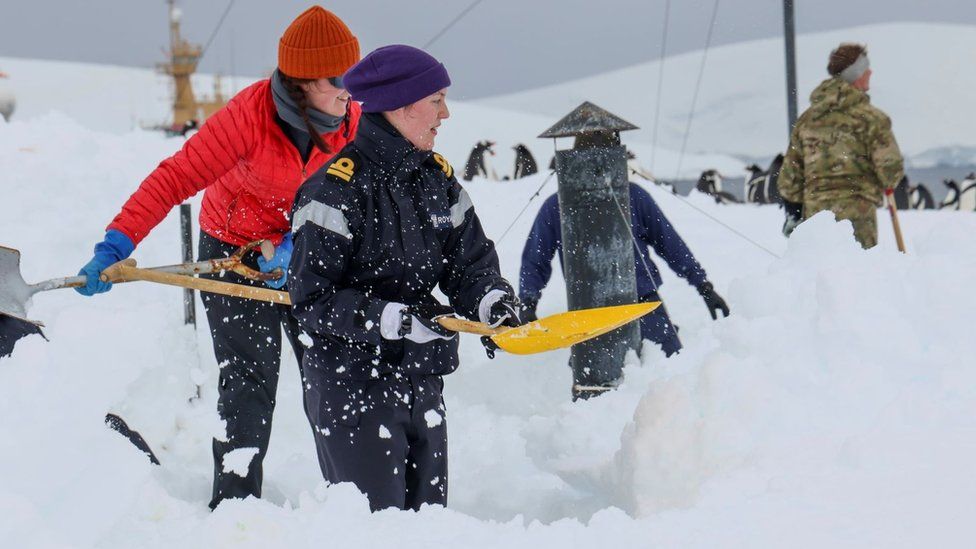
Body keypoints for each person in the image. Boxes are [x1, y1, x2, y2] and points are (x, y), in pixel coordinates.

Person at [74, 6, 363, 509]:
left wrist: (298, 246)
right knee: (249, 382)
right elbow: (174, 178)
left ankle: (353, 504)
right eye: (338, 78)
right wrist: (117, 244)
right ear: (301, 82)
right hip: (234, 251)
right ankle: (235, 509)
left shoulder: (353, 124)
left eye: (353, 76)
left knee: (333, 372)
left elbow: (359, 203)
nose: (349, 88)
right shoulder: (248, 118)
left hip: (308, 254)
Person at [288, 45, 520, 511]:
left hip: (423, 379)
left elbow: (469, 264)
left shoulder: (438, 180)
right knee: (375, 532)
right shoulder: (334, 190)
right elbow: (311, 300)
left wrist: (491, 300)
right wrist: (389, 319)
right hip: (352, 388)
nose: (445, 113)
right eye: (435, 99)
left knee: (428, 529)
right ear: (398, 104)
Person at [519, 183, 729, 357]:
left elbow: (535, 258)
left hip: (607, 312)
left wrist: (703, 285)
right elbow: (670, 244)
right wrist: (528, 301)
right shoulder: (631, 195)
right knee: (666, 382)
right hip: (616, 311)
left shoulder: (557, 204)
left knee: (601, 389)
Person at [779, 43, 904, 249]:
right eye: (866, 69)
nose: (870, 72)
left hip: (816, 218)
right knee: (859, 274)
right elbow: (890, 171)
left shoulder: (807, 120)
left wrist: (799, 206)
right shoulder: (872, 119)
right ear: (856, 75)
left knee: (821, 276)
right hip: (859, 215)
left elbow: (789, 180)